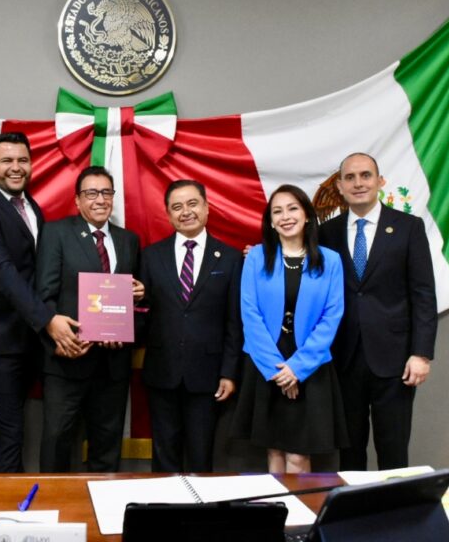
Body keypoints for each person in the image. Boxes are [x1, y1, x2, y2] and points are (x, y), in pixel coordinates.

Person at [0, 132, 71, 472]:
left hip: (25, 341)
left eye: (23, 160)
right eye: (6, 160)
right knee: (8, 435)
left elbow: (41, 271)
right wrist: (48, 320)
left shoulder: (31, 207)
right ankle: (12, 507)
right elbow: (2, 272)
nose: (16, 167)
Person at [319, 152, 437, 471]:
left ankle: (393, 505)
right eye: (350, 177)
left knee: (393, 450)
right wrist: (260, 253)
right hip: (343, 359)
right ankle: (353, 505)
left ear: (380, 181)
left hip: (396, 360)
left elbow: (423, 294)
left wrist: (421, 354)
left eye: (366, 175)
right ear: (340, 187)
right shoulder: (326, 233)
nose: (358, 183)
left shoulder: (408, 228)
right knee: (349, 453)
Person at [232, 184, 348, 473]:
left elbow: (332, 316)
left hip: (310, 363)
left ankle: (299, 506)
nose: (285, 217)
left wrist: (296, 368)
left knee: (298, 455)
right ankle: (278, 504)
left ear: (307, 215)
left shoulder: (330, 260)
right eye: (277, 211)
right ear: (271, 221)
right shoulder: (256, 258)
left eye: (293, 208)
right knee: (273, 450)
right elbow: (250, 314)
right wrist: (277, 370)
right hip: (266, 362)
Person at [36, 165, 144, 472]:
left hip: (112, 363)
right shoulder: (56, 233)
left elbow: (132, 298)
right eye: (91, 193)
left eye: (106, 192)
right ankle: (53, 500)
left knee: (107, 445)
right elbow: (43, 294)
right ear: (77, 199)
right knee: (57, 441)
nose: (100, 199)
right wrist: (56, 338)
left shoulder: (128, 240)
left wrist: (138, 295)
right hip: (67, 359)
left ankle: (103, 500)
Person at [139, 180, 242, 472]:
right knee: (164, 457)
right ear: (168, 214)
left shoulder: (231, 258)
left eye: (192, 204)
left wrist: (229, 372)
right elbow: (141, 311)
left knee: (201, 455)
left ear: (207, 207)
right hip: (162, 371)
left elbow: (235, 321)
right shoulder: (150, 256)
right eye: (177, 207)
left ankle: (199, 504)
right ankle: (164, 501)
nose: (186, 212)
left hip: (208, 375)